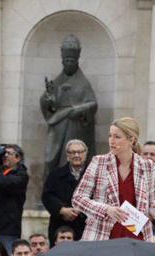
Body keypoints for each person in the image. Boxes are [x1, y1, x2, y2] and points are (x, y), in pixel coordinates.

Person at [72, 117, 155, 241]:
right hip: (102, 236)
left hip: (137, 237)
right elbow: (78, 199)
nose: (111, 141)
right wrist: (107, 209)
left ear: (132, 140)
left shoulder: (147, 166)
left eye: (117, 137)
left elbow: (149, 204)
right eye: (110, 135)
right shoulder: (99, 162)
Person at [40, 34, 98, 178]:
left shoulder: (83, 83)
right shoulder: (57, 82)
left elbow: (92, 104)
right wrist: (48, 97)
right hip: (57, 125)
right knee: (50, 159)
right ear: (63, 61)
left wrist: (76, 110)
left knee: (72, 159)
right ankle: (48, 192)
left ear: (77, 61)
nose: (69, 63)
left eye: (72, 60)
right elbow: (49, 105)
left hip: (75, 127)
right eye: (67, 60)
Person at [42, 139, 87, 245]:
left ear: (85, 154)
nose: (76, 155)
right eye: (72, 152)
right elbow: (47, 196)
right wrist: (61, 210)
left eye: (80, 152)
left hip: (85, 225)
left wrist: (81, 210)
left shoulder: (95, 174)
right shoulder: (55, 174)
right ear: (67, 155)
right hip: (60, 225)